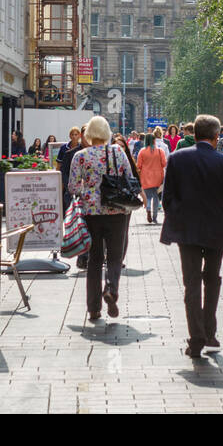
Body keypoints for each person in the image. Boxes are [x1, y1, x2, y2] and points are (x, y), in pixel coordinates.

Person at [161, 114, 223, 358]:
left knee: (191, 282)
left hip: (187, 230)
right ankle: (210, 330)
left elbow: (167, 197)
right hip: (217, 230)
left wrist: (176, 217)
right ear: (217, 137)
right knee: (212, 279)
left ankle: (196, 337)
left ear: (194, 134)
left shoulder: (177, 158)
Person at [67, 116, 136, 321]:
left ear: (88, 134)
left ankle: (94, 308)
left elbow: (72, 187)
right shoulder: (117, 151)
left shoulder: (80, 156)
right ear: (106, 133)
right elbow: (129, 177)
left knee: (95, 260)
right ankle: (111, 289)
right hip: (116, 211)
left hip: (91, 213)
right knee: (115, 257)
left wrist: (87, 190)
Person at [57, 127, 87, 269]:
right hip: (74, 194)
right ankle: (82, 255)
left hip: (92, 198)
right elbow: (63, 172)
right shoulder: (70, 153)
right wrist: (71, 187)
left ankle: (86, 256)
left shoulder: (98, 152)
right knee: (79, 225)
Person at [137, 132, 167, 223]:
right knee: (156, 198)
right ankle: (154, 217)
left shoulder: (142, 151)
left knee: (148, 197)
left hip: (145, 176)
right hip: (158, 177)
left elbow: (139, 165)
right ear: (154, 140)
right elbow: (164, 163)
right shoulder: (160, 151)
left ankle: (148, 209)